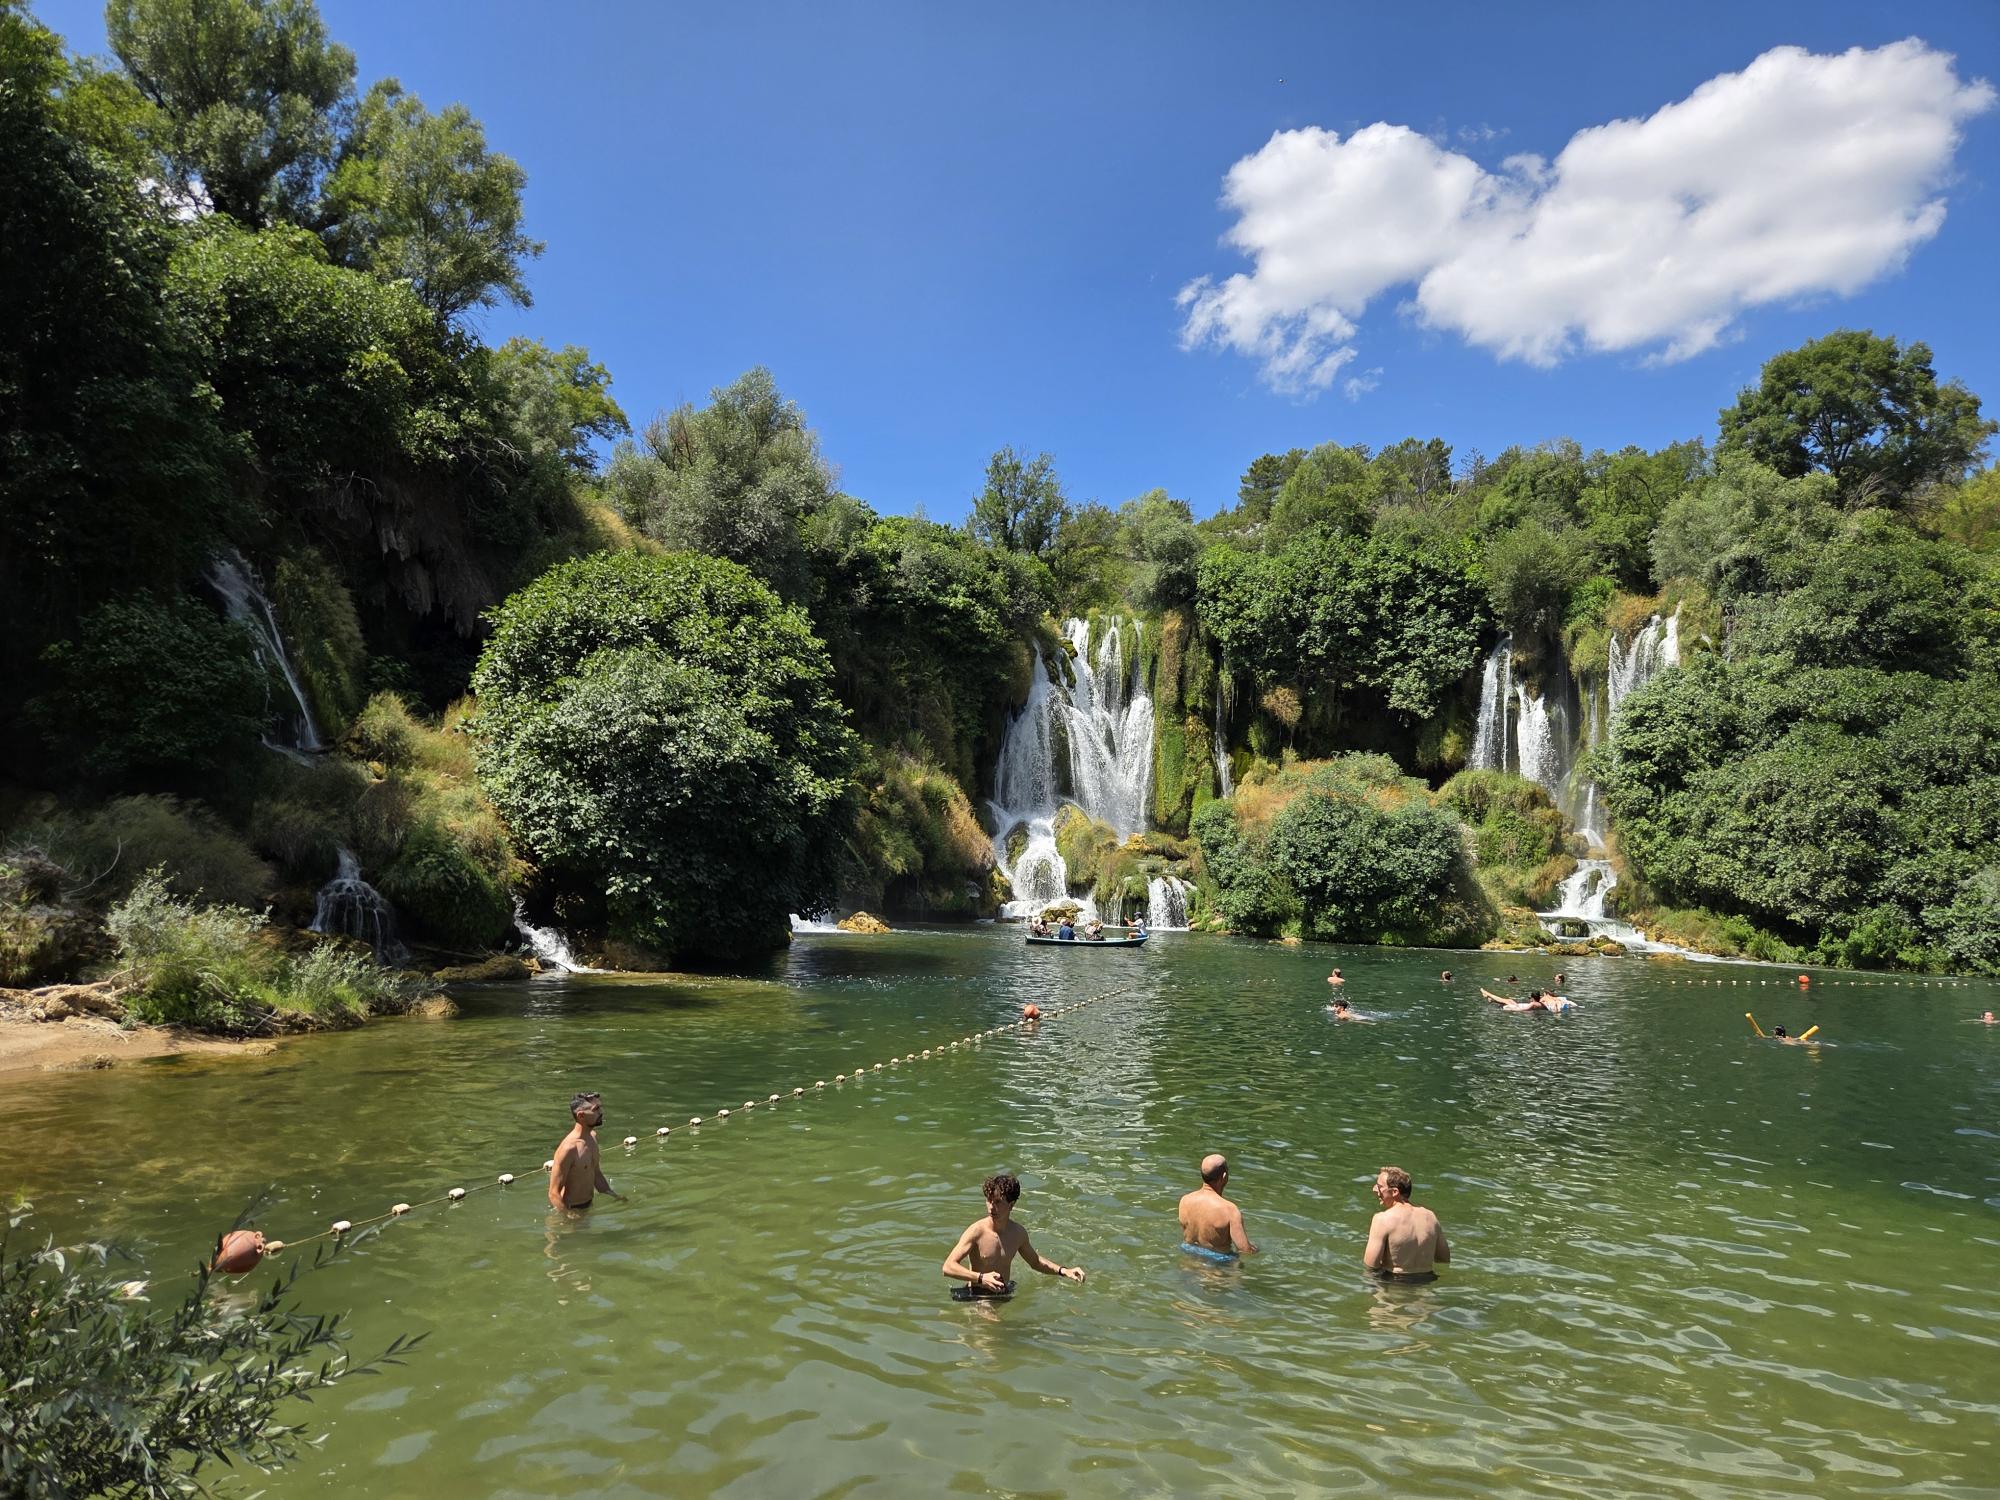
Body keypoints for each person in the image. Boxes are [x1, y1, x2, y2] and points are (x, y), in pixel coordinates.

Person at [942, 1173, 1086, 1297]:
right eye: (989, 1200)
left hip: (1004, 1293)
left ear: (1011, 1205)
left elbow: (1035, 1262)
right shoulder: (976, 1231)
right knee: (994, 1319)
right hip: (977, 1294)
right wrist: (981, 1278)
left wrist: (1064, 1271)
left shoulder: (1018, 1233)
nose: (991, 1207)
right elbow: (948, 1267)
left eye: (998, 1202)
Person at [1363, 1166, 1449, 1281]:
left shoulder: (1382, 1219)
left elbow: (1371, 1267)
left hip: (1395, 1282)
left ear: (1394, 1192)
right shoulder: (1430, 1217)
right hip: (1426, 1281)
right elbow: (1443, 1259)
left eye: (1379, 1186)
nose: (1374, 1189)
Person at [549, 1091, 619, 1210]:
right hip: (570, 1209)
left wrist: (614, 1196)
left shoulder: (593, 1137)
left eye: (600, 1107)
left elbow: (596, 1174)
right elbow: (553, 1193)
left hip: (589, 1206)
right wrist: (569, 1216)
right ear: (581, 1115)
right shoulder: (568, 1149)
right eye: (596, 1109)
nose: (601, 1112)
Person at [1178, 1154, 1256, 1257]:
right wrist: (1255, 1249)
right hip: (1217, 1262)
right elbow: (1245, 1250)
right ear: (1224, 1176)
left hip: (1188, 1254)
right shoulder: (1230, 1210)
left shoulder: (1185, 1200)